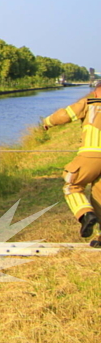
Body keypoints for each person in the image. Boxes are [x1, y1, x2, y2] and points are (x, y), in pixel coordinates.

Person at [43, 85, 101, 240]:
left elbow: (64, 115)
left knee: (72, 186)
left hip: (91, 155)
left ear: (96, 91)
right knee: (99, 197)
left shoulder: (90, 103)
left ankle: (85, 215)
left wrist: (47, 121)